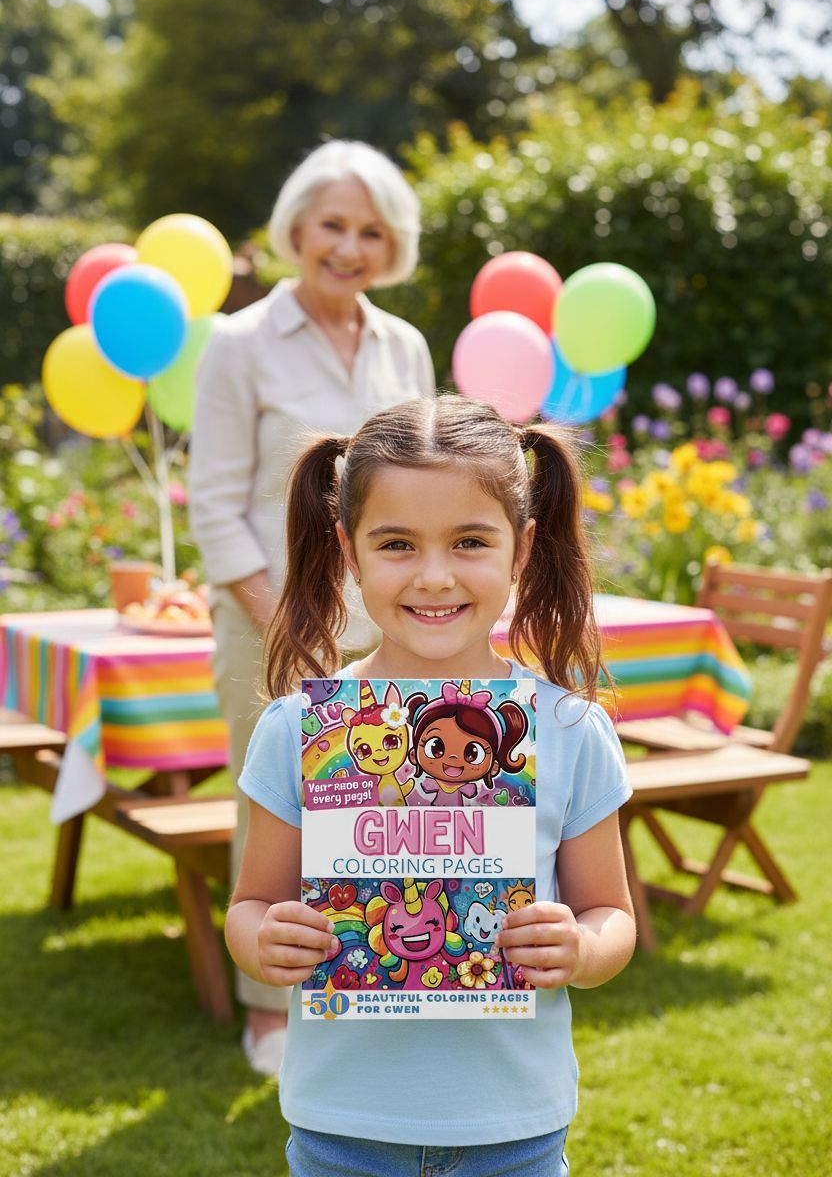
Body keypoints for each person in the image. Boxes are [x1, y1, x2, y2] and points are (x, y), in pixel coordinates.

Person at [226, 394, 636, 1173]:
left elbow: (612, 914)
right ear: (349, 552)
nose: (435, 575)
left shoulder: (571, 732)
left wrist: (580, 948)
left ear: (522, 549)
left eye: (470, 541)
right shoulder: (297, 730)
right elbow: (250, 905)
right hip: (340, 1130)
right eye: (397, 544)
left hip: (514, 1132)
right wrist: (263, 941)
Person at [189, 141, 435, 1075]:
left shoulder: (405, 344)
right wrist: (292, 630)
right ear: (297, 227)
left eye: (372, 230)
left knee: (382, 806)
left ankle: (373, 980)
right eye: (334, 224)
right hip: (268, 626)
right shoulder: (238, 343)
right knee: (277, 813)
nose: (350, 245)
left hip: (390, 624)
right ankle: (268, 1011)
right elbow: (215, 503)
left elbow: (423, 487)